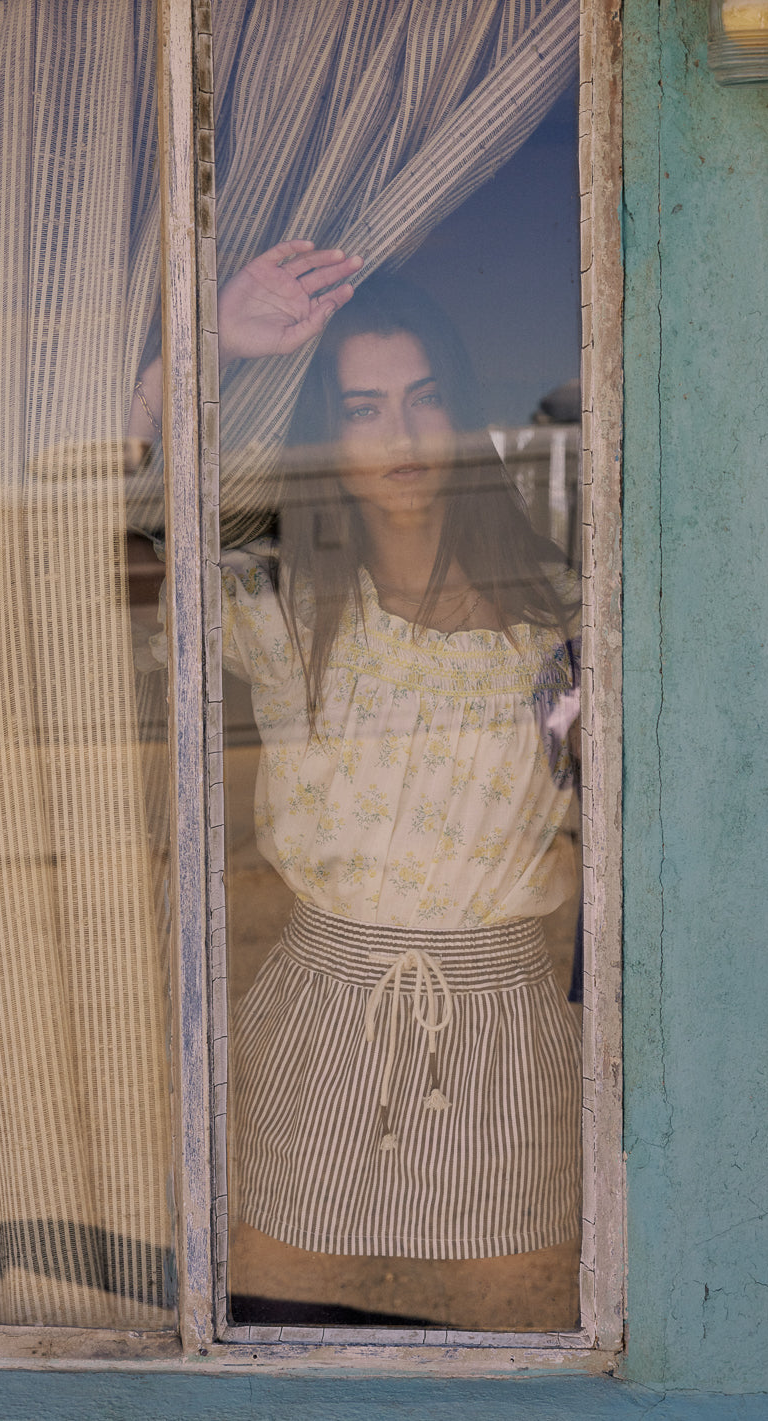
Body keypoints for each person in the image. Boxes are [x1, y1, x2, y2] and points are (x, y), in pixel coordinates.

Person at [150, 248, 582, 1330]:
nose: (399, 435)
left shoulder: (564, 618)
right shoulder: (283, 610)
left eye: (423, 399)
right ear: (328, 446)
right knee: (280, 1333)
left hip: (503, 1018)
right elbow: (123, 517)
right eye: (363, 409)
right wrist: (195, 350)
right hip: (324, 1006)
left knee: (521, 1341)